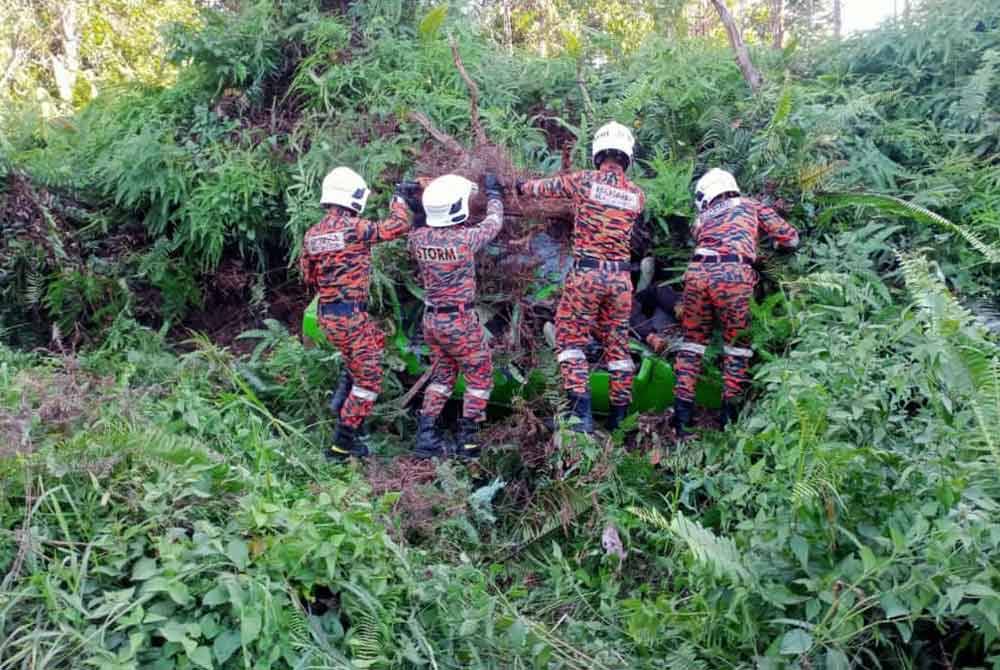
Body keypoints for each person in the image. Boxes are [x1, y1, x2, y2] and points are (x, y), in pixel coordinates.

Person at [518, 121, 646, 433]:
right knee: (618, 349)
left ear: (598, 152)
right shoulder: (637, 195)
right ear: (627, 154)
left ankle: (580, 419)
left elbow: (543, 189)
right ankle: (619, 420)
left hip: (587, 276)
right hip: (620, 282)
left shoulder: (584, 181)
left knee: (570, 342)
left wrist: (520, 187)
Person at [670, 168, 799, 438]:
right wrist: (771, 250)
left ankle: (681, 422)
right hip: (734, 275)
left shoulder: (701, 218)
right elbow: (790, 238)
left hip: (697, 273)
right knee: (737, 347)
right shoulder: (750, 205)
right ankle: (729, 426)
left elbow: (709, 238)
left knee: (691, 345)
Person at [300, 167, 418, 460]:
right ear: (354, 197)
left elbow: (308, 276)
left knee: (367, 352)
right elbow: (397, 226)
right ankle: (342, 445)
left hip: (329, 316)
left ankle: (341, 405)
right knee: (369, 381)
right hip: (350, 318)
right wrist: (400, 199)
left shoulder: (313, 234)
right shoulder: (355, 228)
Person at [408, 173, 504, 459]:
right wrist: (495, 195)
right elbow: (494, 223)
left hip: (432, 320)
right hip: (459, 322)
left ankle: (426, 437)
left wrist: (413, 206)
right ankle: (469, 440)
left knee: (443, 375)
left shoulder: (419, 239)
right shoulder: (465, 239)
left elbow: (415, 227)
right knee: (480, 376)